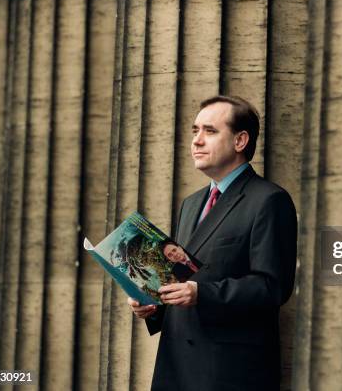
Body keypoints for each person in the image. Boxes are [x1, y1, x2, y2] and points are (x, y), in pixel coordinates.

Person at [127, 95, 298, 390]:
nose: (197, 140)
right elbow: (184, 278)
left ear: (240, 140)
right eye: (195, 131)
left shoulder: (270, 200)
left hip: (228, 372)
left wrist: (201, 293)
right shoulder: (191, 204)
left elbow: (272, 287)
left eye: (210, 131)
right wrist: (153, 303)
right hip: (175, 368)